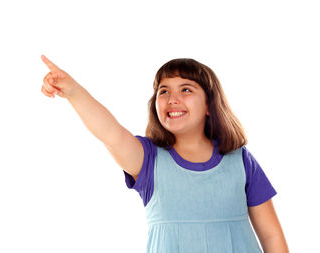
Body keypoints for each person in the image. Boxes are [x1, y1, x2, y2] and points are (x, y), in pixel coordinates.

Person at [40, 55, 289, 253]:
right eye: (164, 91)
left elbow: (271, 235)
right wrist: (72, 90)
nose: (172, 99)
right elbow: (110, 133)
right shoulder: (148, 160)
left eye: (186, 90)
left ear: (209, 106)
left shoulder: (240, 160)